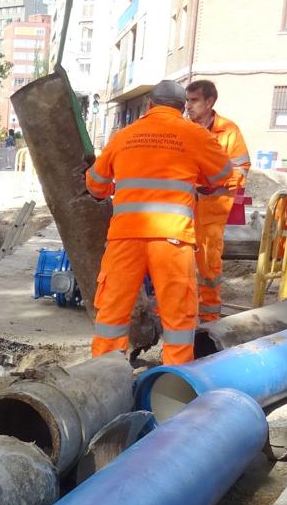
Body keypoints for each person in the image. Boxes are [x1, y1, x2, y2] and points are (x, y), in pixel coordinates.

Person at [84, 80, 232, 365]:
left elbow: (96, 185)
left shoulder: (124, 136)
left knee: (112, 312)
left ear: (150, 105)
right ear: (182, 107)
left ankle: (101, 377)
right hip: (172, 239)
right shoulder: (195, 134)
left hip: (126, 236)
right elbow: (223, 176)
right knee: (178, 316)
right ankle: (174, 384)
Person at [184, 79, 250, 322]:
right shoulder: (182, 128)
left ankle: (210, 316)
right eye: (187, 100)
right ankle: (177, 310)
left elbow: (241, 169)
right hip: (184, 206)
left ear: (209, 102)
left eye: (194, 101)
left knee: (208, 263)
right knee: (177, 260)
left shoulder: (228, 131)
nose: (188, 106)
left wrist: (213, 182)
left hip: (213, 207)